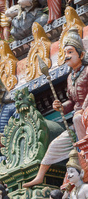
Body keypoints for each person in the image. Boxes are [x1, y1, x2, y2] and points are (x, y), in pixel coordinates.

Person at [24, 28, 88, 187]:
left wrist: (82, 108)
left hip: (86, 115)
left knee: (78, 117)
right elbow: (72, 102)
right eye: (65, 52)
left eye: (70, 52)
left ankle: (84, 155)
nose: (67, 56)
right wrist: (61, 107)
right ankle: (40, 176)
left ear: (81, 55)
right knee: (55, 144)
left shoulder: (87, 71)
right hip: (77, 119)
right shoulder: (69, 78)